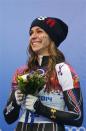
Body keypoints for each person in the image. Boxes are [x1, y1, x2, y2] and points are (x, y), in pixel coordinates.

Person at [3, 16, 83, 131]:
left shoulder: (63, 70)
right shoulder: (21, 71)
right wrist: (15, 102)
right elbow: (8, 118)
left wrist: (41, 108)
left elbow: (77, 117)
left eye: (39, 31)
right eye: (31, 33)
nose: (33, 36)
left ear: (52, 37)